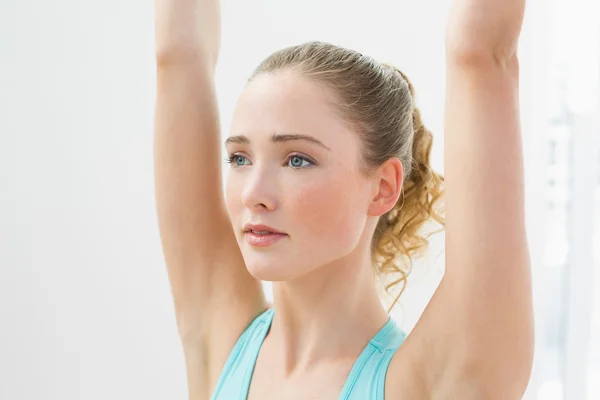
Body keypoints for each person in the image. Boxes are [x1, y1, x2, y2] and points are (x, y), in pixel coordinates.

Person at [153, 0, 534, 398]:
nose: (253, 194)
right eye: (240, 158)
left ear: (383, 186)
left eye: (297, 160)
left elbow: (482, 53)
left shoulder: (435, 380)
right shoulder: (221, 341)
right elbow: (177, 55)